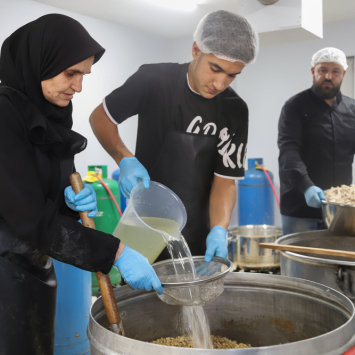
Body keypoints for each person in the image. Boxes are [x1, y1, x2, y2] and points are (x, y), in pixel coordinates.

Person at [0, 14, 162, 355]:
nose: (78, 86)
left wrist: (66, 202)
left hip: (34, 266)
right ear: (40, 61)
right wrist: (118, 252)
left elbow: (44, 195)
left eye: (84, 75)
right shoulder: (4, 115)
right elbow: (27, 217)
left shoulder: (51, 113)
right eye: (70, 73)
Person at [89, 10, 259, 262]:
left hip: (199, 236)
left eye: (232, 75)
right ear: (195, 50)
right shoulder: (153, 80)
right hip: (144, 225)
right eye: (215, 68)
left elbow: (224, 181)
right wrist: (123, 157)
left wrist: (219, 229)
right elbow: (100, 118)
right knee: (140, 296)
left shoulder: (235, 109)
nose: (221, 83)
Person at [278, 47, 355, 235]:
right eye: (322, 70)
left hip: (342, 210)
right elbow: (288, 151)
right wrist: (306, 186)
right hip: (300, 207)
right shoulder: (295, 106)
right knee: (301, 262)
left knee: (339, 262)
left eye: (335, 71)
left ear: (343, 73)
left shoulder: (353, 109)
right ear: (313, 71)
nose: (328, 76)